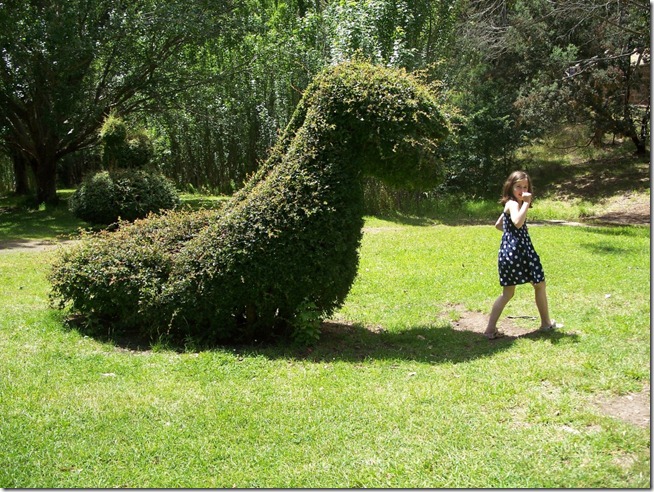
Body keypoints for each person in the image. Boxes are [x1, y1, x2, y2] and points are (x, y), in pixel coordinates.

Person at [485, 170, 560, 339]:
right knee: (538, 284)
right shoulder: (513, 204)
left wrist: (511, 234)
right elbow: (518, 222)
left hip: (512, 252)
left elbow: (498, 225)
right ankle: (546, 324)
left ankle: (490, 330)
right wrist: (526, 203)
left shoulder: (511, 204)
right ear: (510, 187)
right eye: (518, 186)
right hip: (519, 253)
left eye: (525, 187)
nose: (522, 190)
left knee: (513, 291)